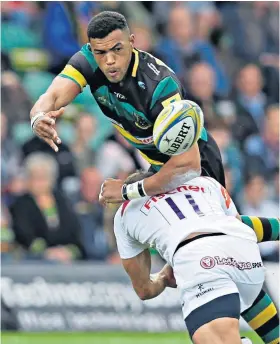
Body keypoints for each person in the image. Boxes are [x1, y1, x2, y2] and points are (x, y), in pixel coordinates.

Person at [29, 11, 279, 342]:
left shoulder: (158, 84)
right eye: (101, 53)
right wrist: (38, 115)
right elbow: (54, 93)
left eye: (117, 49)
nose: (110, 61)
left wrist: (129, 190)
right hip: (157, 164)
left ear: (132, 42)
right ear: (91, 49)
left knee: (219, 231)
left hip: (195, 164)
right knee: (226, 235)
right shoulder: (89, 61)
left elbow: (184, 164)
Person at [114, 171, 266, 344]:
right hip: (248, 258)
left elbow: (144, 289)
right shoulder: (205, 182)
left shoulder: (125, 211)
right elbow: (238, 223)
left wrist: (163, 277)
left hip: (200, 261)